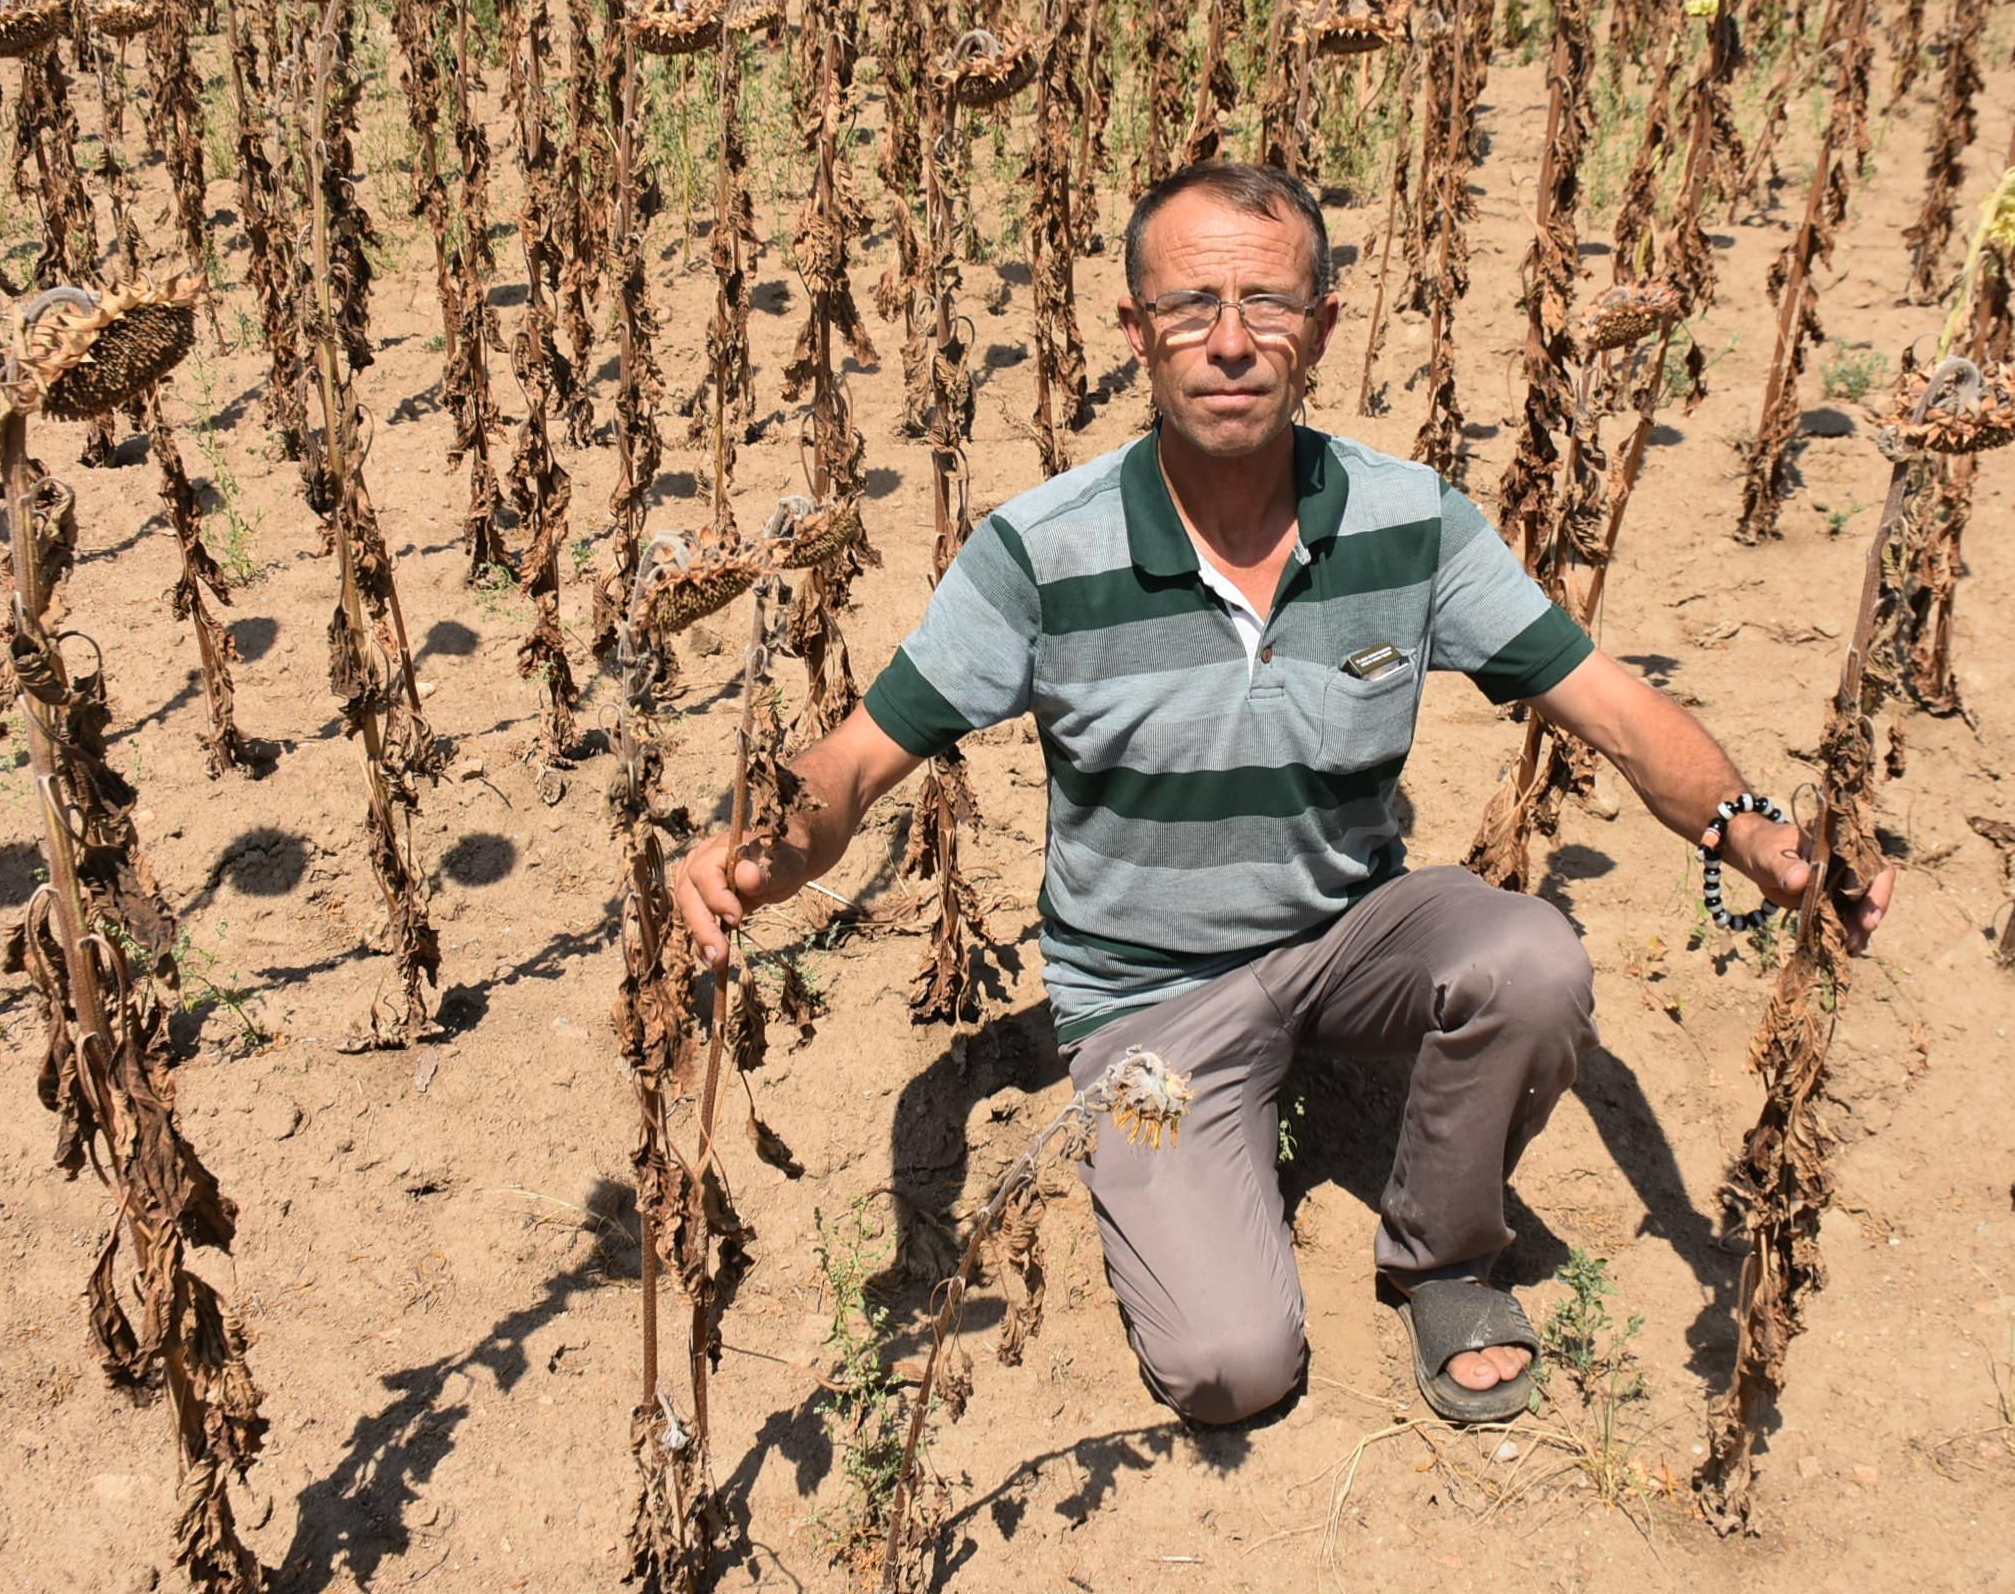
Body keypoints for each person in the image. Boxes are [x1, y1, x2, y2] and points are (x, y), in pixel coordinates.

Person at [672, 161, 1895, 1426]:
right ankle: (1220, 1136)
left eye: (1269, 303)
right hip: (1153, 1001)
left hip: (1347, 938)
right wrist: (759, 852)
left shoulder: (1407, 520)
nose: (1232, 341)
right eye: (1191, 305)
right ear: (1134, 331)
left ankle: (1444, 1252)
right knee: (1229, 1368)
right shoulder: (1044, 550)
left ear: (1319, 325)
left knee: (1532, 960)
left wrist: (1750, 828)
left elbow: (1616, 710)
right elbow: (861, 758)